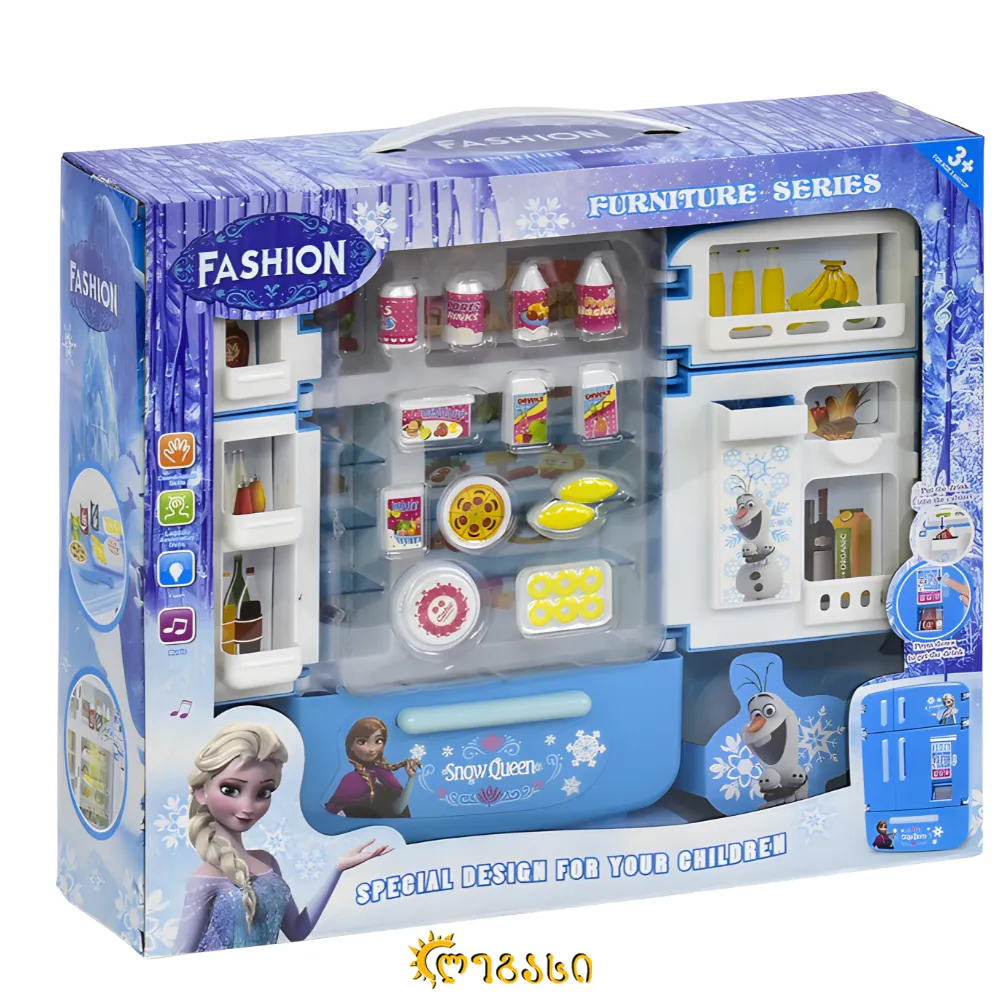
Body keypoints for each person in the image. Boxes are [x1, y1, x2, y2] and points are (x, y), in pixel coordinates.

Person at [174, 722, 391, 952]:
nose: (247, 807)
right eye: (230, 790)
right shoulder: (204, 879)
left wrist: (338, 869)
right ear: (202, 792)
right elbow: (179, 955)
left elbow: (297, 931)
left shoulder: (267, 862)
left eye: (263, 793)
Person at [325, 717, 421, 819]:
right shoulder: (350, 780)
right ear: (351, 746)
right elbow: (334, 812)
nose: (371, 749)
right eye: (362, 742)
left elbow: (398, 810)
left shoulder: (384, 774)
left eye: (378, 741)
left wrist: (411, 778)